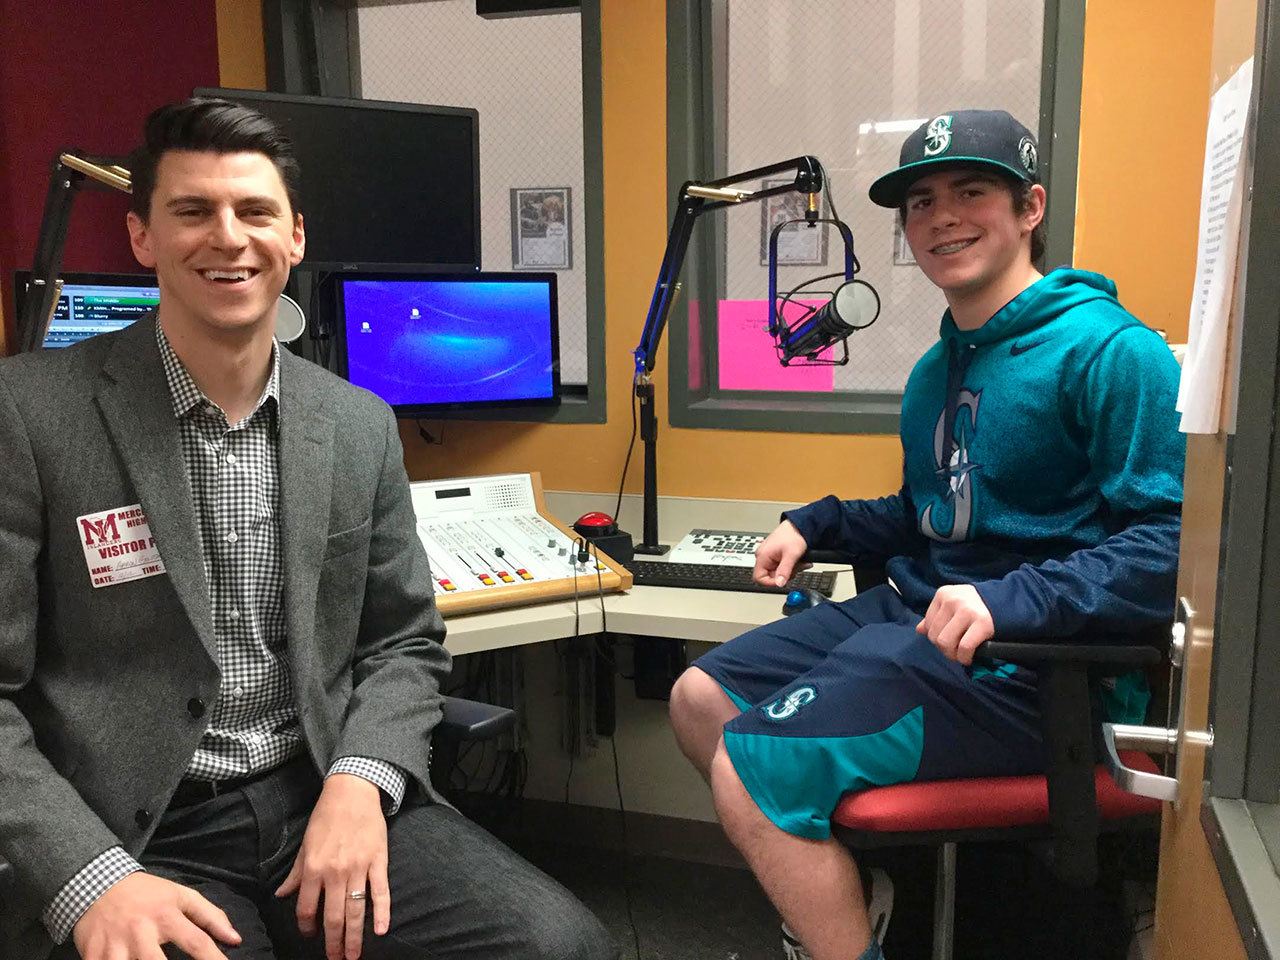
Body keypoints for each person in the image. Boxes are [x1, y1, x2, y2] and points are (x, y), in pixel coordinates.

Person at [0, 97, 615, 960]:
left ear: (294, 237)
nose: (228, 237)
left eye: (254, 212)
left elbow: (403, 642)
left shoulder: (358, 423)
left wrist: (362, 782)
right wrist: (90, 878)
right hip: (139, 833)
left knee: (562, 947)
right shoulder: (30, 415)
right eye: (192, 211)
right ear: (141, 237)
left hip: (319, 792)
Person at [668, 109, 1185, 960]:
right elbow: (933, 512)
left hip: (1038, 668)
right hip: (924, 624)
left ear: (1030, 209)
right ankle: (852, 905)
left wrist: (1012, 596)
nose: (941, 216)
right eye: (920, 202)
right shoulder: (934, 371)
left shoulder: (1111, 354)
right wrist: (816, 521)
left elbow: (1170, 544)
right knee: (699, 699)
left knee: (756, 765)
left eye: (971, 191)